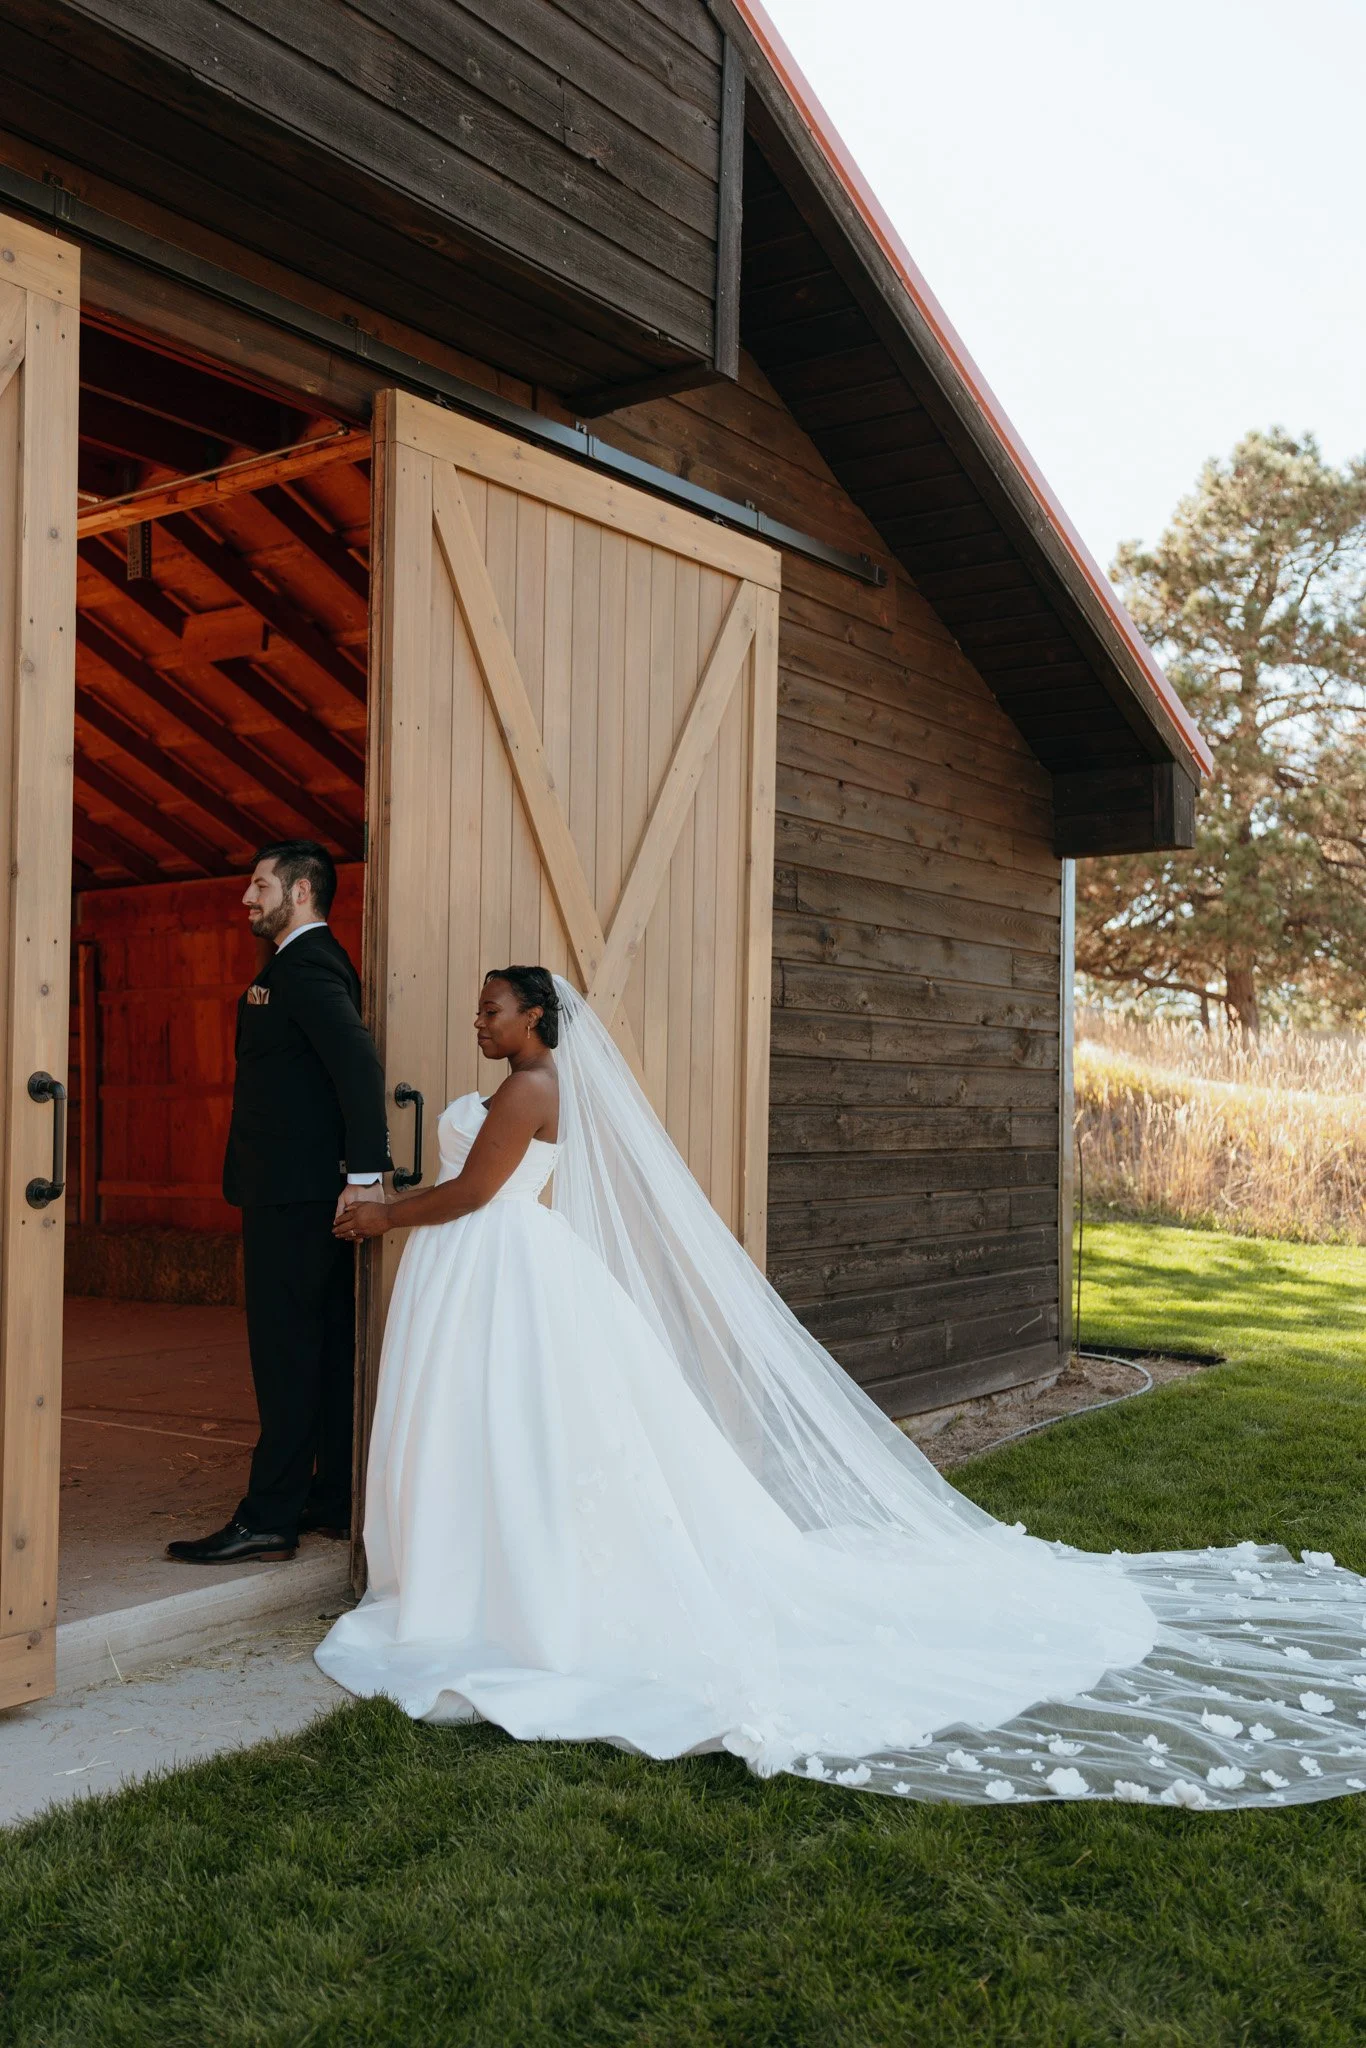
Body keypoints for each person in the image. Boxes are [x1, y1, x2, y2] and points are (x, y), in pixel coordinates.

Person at [317, 967, 1366, 1807]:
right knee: (507, 1433)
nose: (477, 1018)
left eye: (492, 1007)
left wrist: (378, 1213)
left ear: (535, 1014)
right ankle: (481, 1564)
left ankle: (508, 1587)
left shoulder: (535, 1087)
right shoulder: (524, 1083)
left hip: (502, 1270)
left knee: (519, 1427)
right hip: (486, 1270)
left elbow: (472, 1191)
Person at [169, 841, 389, 1566]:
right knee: (320, 1351)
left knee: (287, 1355)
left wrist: (364, 1174)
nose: (246, 899)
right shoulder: (301, 965)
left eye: (258, 886)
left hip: (292, 1197)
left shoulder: (308, 966)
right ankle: (325, 1499)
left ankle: (269, 1516)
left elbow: (357, 1064)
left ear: (299, 893)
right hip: (296, 1191)